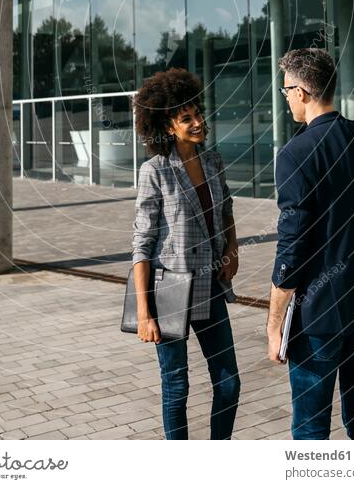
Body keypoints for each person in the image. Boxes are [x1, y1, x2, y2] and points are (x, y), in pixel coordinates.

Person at [267, 47, 354, 440]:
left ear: (303, 92)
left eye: (286, 90)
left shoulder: (295, 154)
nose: (286, 97)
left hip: (317, 317)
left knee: (310, 430)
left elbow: (291, 248)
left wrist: (274, 325)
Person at [131, 67, 240, 440]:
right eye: (186, 118)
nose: (197, 123)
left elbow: (226, 209)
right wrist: (145, 314)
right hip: (171, 293)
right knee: (177, 388)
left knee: (229, 382)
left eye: (198, 114)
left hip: (210, 286)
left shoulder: (213, 161)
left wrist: (233, 248)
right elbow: (142, 243)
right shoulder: (155, 171)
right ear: (167, 127)